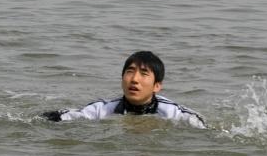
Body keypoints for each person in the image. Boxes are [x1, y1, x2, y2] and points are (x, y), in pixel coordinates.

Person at [40, 50, 206, 126]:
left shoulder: (173, 113)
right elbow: (70, 117)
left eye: (143, 74)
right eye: (130, 72)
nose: (134, 79)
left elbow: (201, 127)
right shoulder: (102, 109)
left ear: (157, 86)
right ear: (122, 78)